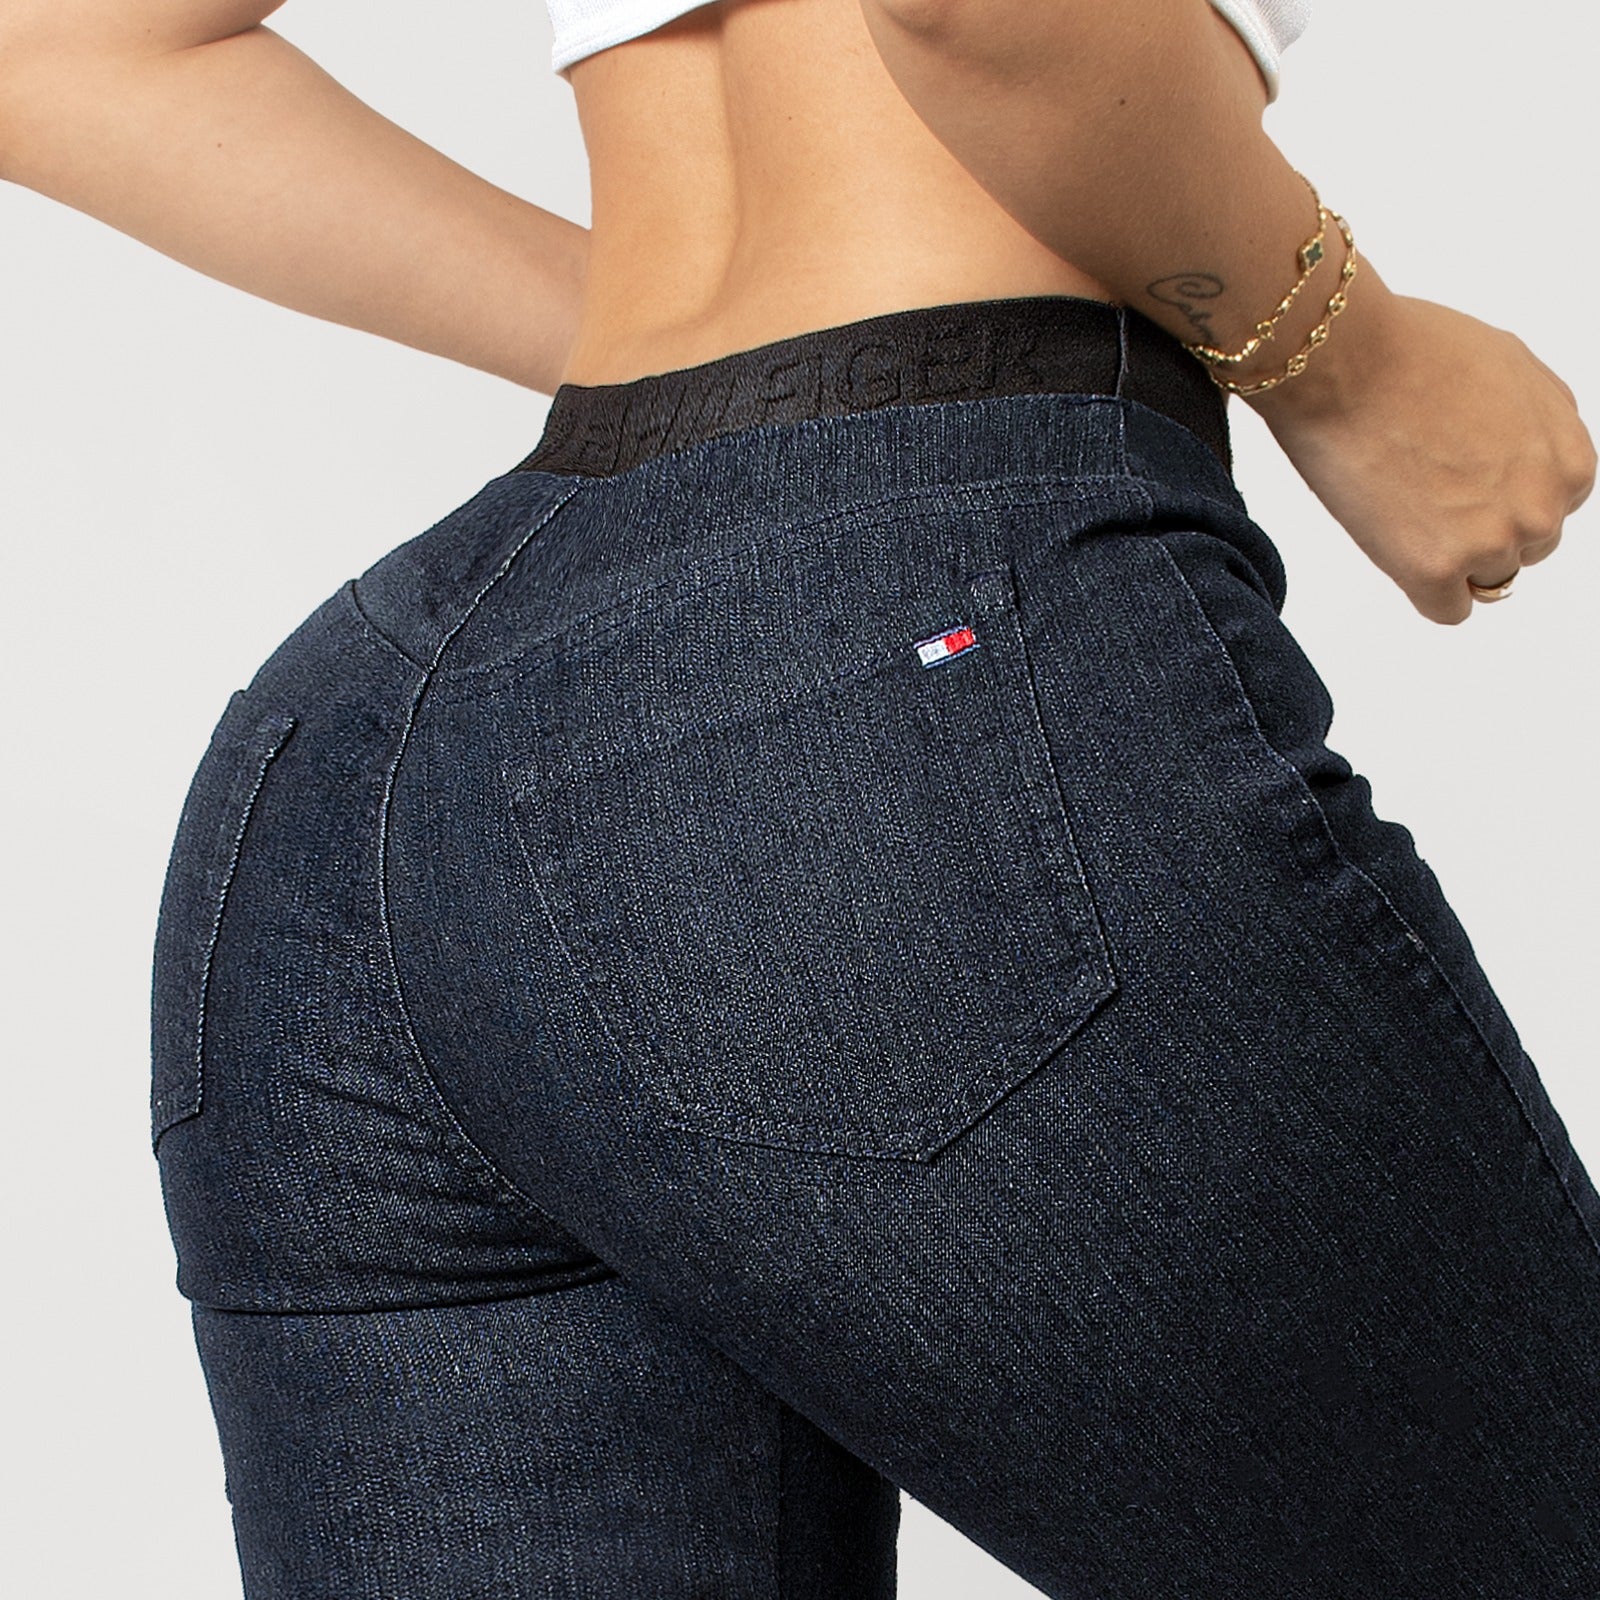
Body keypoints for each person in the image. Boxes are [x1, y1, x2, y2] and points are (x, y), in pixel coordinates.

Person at [4, 1, 1597, 1594]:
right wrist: (1354, 359)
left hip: (356, 776)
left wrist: (689, 370)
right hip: (892, 679)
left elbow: (60, 49)